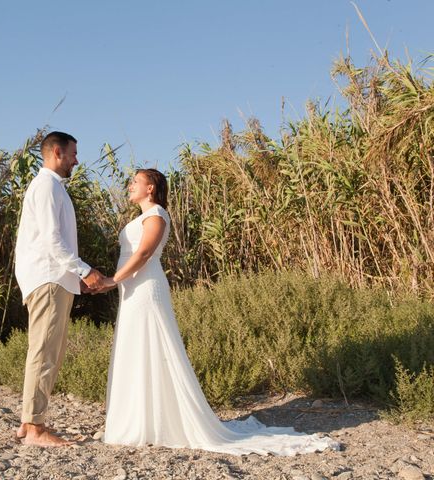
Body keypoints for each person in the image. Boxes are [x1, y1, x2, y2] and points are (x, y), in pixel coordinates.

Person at [98, 168, 338, 455]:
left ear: (151, 188)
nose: (130, 185)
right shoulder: (139, 218)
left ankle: (156, 422)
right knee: (135, 348)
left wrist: (113, 280)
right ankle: (140, 421)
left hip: (146, 287)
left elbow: (144, 253)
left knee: (151, 345)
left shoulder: (157, 215)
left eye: (136, 181)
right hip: (132, 289)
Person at [14, 131, 105, 447]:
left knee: (47, 351)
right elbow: (53, 240)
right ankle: (36, 428)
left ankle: (30, 424)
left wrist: (74, 276)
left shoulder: (50, 187)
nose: (77, 160)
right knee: (44, 352)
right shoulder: (47, 187)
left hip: (54, 277)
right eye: (73, 154)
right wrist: (84, 270)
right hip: (48, 278)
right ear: (56, 152)